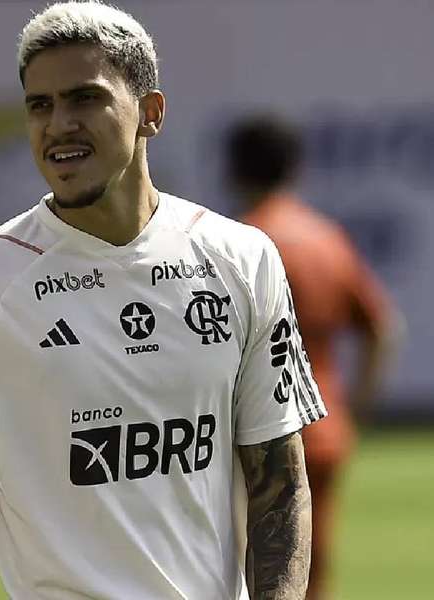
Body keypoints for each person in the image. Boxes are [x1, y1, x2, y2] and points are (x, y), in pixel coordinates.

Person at [0, 3, 326, 598]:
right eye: (39, 105)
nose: (58, 124)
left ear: (151, 112)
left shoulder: (242, 259)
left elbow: (281, 480)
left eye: (84, 99)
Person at [229, 114, 396, 600]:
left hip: (256, 431)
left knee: (244, 573)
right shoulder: (327, 238)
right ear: (295, 168)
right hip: (323, 427)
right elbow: (382, 329)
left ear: (235, 172)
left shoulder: (239, 243)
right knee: (309, 570)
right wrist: (355, 409)